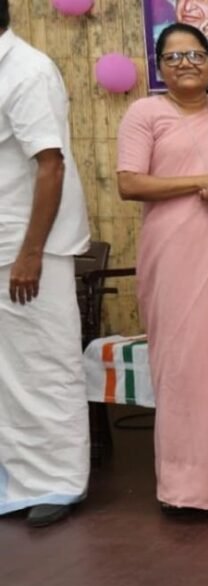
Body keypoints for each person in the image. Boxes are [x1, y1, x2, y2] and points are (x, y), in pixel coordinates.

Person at [117, 23, 208, 512]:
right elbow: (131, 184)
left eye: (195, 54)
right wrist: (202, 181)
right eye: (174, 57)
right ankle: (185, 486)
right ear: (159, 67)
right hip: (173, 254)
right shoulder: (145, 112)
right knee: (182, 365)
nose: (186, 64)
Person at [0, 0, 91, 527]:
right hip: (6, 243)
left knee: (43, 366)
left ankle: (57, 481)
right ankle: (16, 481)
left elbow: (50, 165)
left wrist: (31, 252)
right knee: (9, 374)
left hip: (28, 248)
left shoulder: (28, 69)